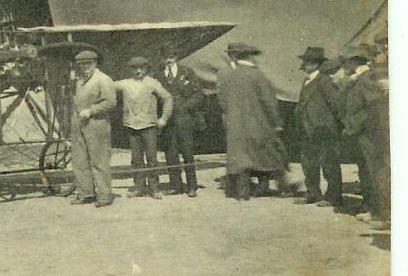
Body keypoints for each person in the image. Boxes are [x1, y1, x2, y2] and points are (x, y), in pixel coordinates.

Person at [216, 43, 297, 200]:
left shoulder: (226, 75)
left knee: (241, 158)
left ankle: (242, 193)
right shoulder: (257, 75)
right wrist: (276, 122)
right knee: (272, 154)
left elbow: (222, 101)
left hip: (236, 125)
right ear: (249, 57)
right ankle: (284, 188)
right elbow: (269, 102)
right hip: (258, 123)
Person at [340, 47, 390, 229]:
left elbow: (373, 108)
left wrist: (356, 127)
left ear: (354, 62)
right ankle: (374, 210)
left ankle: (384, 215)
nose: (344, 66)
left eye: (345, 62)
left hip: (370, 133)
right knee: (367, 172)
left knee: (377, 172)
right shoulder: (358, 79)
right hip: (362, 133)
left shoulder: (367, 78)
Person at [115, 56, 173, 199]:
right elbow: (107, 85)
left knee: (152, 158)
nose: (138, 71)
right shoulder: (125, 83)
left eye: (141, 68)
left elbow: (168, 98)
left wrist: (164, 118)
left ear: (146, 69)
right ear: (130, 70)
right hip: (132, 126)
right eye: (135, 68)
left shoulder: (152, 83)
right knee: (136, 159)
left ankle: (154, 188)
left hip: (149, 126)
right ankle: (139, 187)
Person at [294, 47, 344, 207]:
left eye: (307, 61)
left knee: (329, 163)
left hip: (324, 129)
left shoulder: (325, 81)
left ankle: (334, 196)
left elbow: (336, 104)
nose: (304, 64)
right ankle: (313, 193)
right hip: (307, 128)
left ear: (315, 64)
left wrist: (334, 124)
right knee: (308, 164)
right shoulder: (307, 80)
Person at [154, 48, 205, 197]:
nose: (169, 60)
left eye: (171, 57)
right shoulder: (157, 75)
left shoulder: (187, 72)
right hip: (167, 121)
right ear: (162, 58)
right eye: (165, 57)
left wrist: (185, 106)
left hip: (185, 119)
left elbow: (199, 95)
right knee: (170, 153)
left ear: (176, 56)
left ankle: (191, 186)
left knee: (188, 152)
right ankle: (175, 185)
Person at [70, 49, 117, 207]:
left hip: (96, 123)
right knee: (79, 159)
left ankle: (104, 195)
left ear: (95, 63)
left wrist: (91, 111)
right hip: (79, 123)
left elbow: (110, 102)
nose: (85, 67)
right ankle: (86, 193)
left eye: (88, 64)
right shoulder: (80, 80)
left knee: (99, 160)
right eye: (82, 64)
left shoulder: (103, 79)